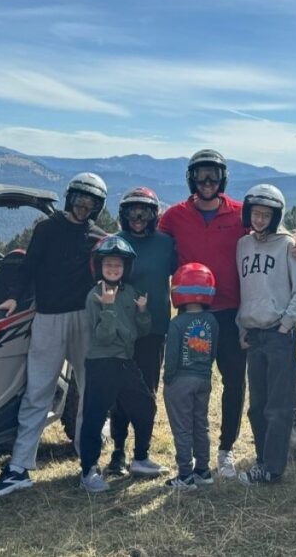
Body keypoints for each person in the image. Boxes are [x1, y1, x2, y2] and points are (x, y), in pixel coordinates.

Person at [158, 149, 296, 479]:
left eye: (213, 175)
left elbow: (271, 234)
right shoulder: (173, 216)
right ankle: (193, 455)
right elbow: (148, 241)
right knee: (192, 381)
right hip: (193, 314)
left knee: (235, 383)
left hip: (232, 314)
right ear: (191, 178)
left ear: (222, 178)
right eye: (200, 175)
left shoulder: (242, 213)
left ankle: (225, 450)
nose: (207, 182)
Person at [0, 172, 108, 496]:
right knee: (37, 390)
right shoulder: (46, 229)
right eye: (80, 199)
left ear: (97, 206)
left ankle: (89, 464)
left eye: (91, 202)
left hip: (85, 318)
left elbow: (109, 276)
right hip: (48, 317)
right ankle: (19, 467)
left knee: (91, 390)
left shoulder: (99, 237)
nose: (84, 206)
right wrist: (13, 295)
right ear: (70, 198)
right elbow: (29, 267)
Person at [235, 184, 296, 486]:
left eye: (266, 215)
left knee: (278, 407)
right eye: (255, 213)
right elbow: (247, 291)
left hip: (279, 334)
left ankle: (272, 469)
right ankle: (262, 459)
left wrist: (284, 326)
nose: (259, 219)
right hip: (254, 334)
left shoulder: (287, 247)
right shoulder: (242, 245)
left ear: (275, 216)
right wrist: (243, 327)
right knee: (257, 406)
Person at [79, 235, 164, 493]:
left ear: (126, 268)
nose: (113, 270)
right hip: (101, 362)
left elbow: (141, 330)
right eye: (108, 266)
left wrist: (142, 312)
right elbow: (103, 336)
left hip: (125, 361)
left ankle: (140, 457)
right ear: (99, 267)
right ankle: (89, 470)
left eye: (118, 266)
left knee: (145, 404)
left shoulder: (130, 294)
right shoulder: (94, 296)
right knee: (95, 414)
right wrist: (107, 307)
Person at [106, 187, 177, 477]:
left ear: (154, 215)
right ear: (123, 215)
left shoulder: (166, 244)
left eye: (145, 212)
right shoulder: (114, 243)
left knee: (147, 391)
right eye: (132, 212)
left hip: (154, 329)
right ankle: (118, 452)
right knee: (119, 392)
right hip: (121, 330)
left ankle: (142, 454)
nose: (138, 218)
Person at [163, 263, 219, 491]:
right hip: (203, 378)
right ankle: (203, 470)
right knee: (200, 424)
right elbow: (213, 352)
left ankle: (185, 475)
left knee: (182, 428)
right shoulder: (212, 322)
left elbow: (172, 355)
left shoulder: (177, 323)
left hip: (180, 381)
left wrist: (167, 379)